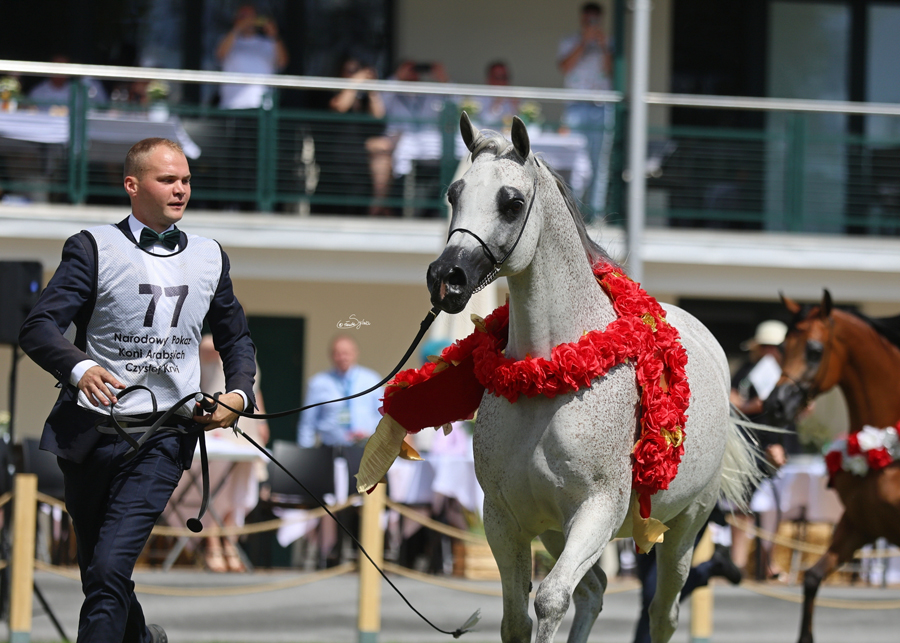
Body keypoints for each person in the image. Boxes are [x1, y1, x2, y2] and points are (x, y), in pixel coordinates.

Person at [18, 137, 258, 643]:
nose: (180, 189)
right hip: (88, 433)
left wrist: (238, 394)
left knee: (106, 570)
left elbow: (236, 339)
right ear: (133, 186)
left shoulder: (211, 257)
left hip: (165, 436)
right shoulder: (91, 247)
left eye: (186, 180)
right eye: (167, 180)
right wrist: (80, 368)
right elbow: (38, 329)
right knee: (101, 575)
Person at [729, 319, 796, 578]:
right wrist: (751, 407)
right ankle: (738, 563)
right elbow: (732, 400)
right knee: (741, 505)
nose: (770, 352)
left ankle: (769, 563)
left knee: (774, 509)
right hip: (749, 444)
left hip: (781, 446)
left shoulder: (789, 372)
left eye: (774, 347)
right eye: (766, 346)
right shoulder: (745, 371)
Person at [197, 334, 269, 573]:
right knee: (219, 488)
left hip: (245, 423)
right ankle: (213, 543)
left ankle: (230, 543)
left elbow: (252, 386)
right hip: (220, 424)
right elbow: (206, 347)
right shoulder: (215, 341)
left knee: (240, 488)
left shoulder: (249, 348)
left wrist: (261, 420)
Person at [632, 516, 742, 643]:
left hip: (684, 511)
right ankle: (713, 566)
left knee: (654, 596)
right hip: (648, 514)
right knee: (651, 596)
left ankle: (711, 567)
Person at [557, 2, 614, 216]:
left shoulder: (608, 43)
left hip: (601, 107)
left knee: (599, 162)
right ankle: (574, 212)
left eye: (594, 20)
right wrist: (584, 41)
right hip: (575, 106)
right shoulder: (570, 41)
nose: (591, 23)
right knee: (574, 161)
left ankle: (597, 213)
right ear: (581, 19)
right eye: (587, 19)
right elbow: (564, 66)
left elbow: (611, 71)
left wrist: (602, 45)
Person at [322, 56, 392, 216]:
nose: (355, 75)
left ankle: (378, 206)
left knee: (382, 148)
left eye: (357, 70)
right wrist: (355, 82)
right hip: (338, 156)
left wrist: (372, 90)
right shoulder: (331, 92)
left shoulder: (365, 98)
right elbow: (340, 106)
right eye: (350, 71)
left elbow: (379, 116)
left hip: (361, 157)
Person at [297, 334, 382, 448]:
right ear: (331, 355)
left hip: (365, 447)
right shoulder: (318, 382)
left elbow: (382, 416)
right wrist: (304, 453)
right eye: (338, 353)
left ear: (356, 353)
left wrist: (372, 433)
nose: (343, 357)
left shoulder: (372, 379)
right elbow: (307, 423)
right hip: (331, 449)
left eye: (346, 353)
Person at [216, 4, 289, 110]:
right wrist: (237, 28)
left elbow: (283, 62)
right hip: (233, 105)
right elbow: (220, 54)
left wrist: (274, 34)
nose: (249, 20)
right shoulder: (229, 40)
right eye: (244, 16)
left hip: (263, 107)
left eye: (252, 16)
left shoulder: (268, 43)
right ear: (236, 19)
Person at [29, 53, 108, 109]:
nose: (60, 71)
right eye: (57, 66)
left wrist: (84, 76)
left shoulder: (77, 90)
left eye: (64, 67)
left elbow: (101, 103)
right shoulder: (38, 91)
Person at [470, 60, 519, 130]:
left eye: (505, 77)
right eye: (498, 78)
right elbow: (484, 122)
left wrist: (515, 106)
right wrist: (498, 102)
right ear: (489, 79)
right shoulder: (479, 98)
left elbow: (521, 123)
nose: (502, 81)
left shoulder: (514, 97)